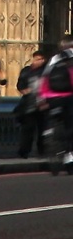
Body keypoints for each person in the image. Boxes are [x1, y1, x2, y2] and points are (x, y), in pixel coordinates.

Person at [38, 34, 73, 167]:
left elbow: (44, 78)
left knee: (51, 117)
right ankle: (69, 154)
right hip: (68, 96)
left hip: (51, 97)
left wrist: (41, 97)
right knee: (70, 126)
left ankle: (49, 131)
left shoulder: (55, 58)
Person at [15, 49, 47, 158]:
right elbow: (20, 84)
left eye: (41, 59)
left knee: (42, 130)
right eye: (37, 59)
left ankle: (42, 151)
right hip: (29, 104)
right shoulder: (26, 71)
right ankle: (24, 151)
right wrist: (24, 90)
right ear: (33, 59)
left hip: (42, 104)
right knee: (27, 130)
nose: (40, 61)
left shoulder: (46, 71)